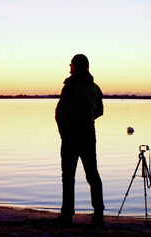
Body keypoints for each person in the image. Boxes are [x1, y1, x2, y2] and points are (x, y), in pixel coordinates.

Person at [55, 54, 104, 225]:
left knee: (68, 175)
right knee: (92, 173)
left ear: (76, 66)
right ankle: (99, 213)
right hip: (88, 133)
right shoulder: (95, 87)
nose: (69, 66)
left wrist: (63, 130)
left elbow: (60, 111)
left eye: (71, 64)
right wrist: (87, 119)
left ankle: (67, 214)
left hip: (71, 134)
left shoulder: (71, 84)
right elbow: (99, 111)